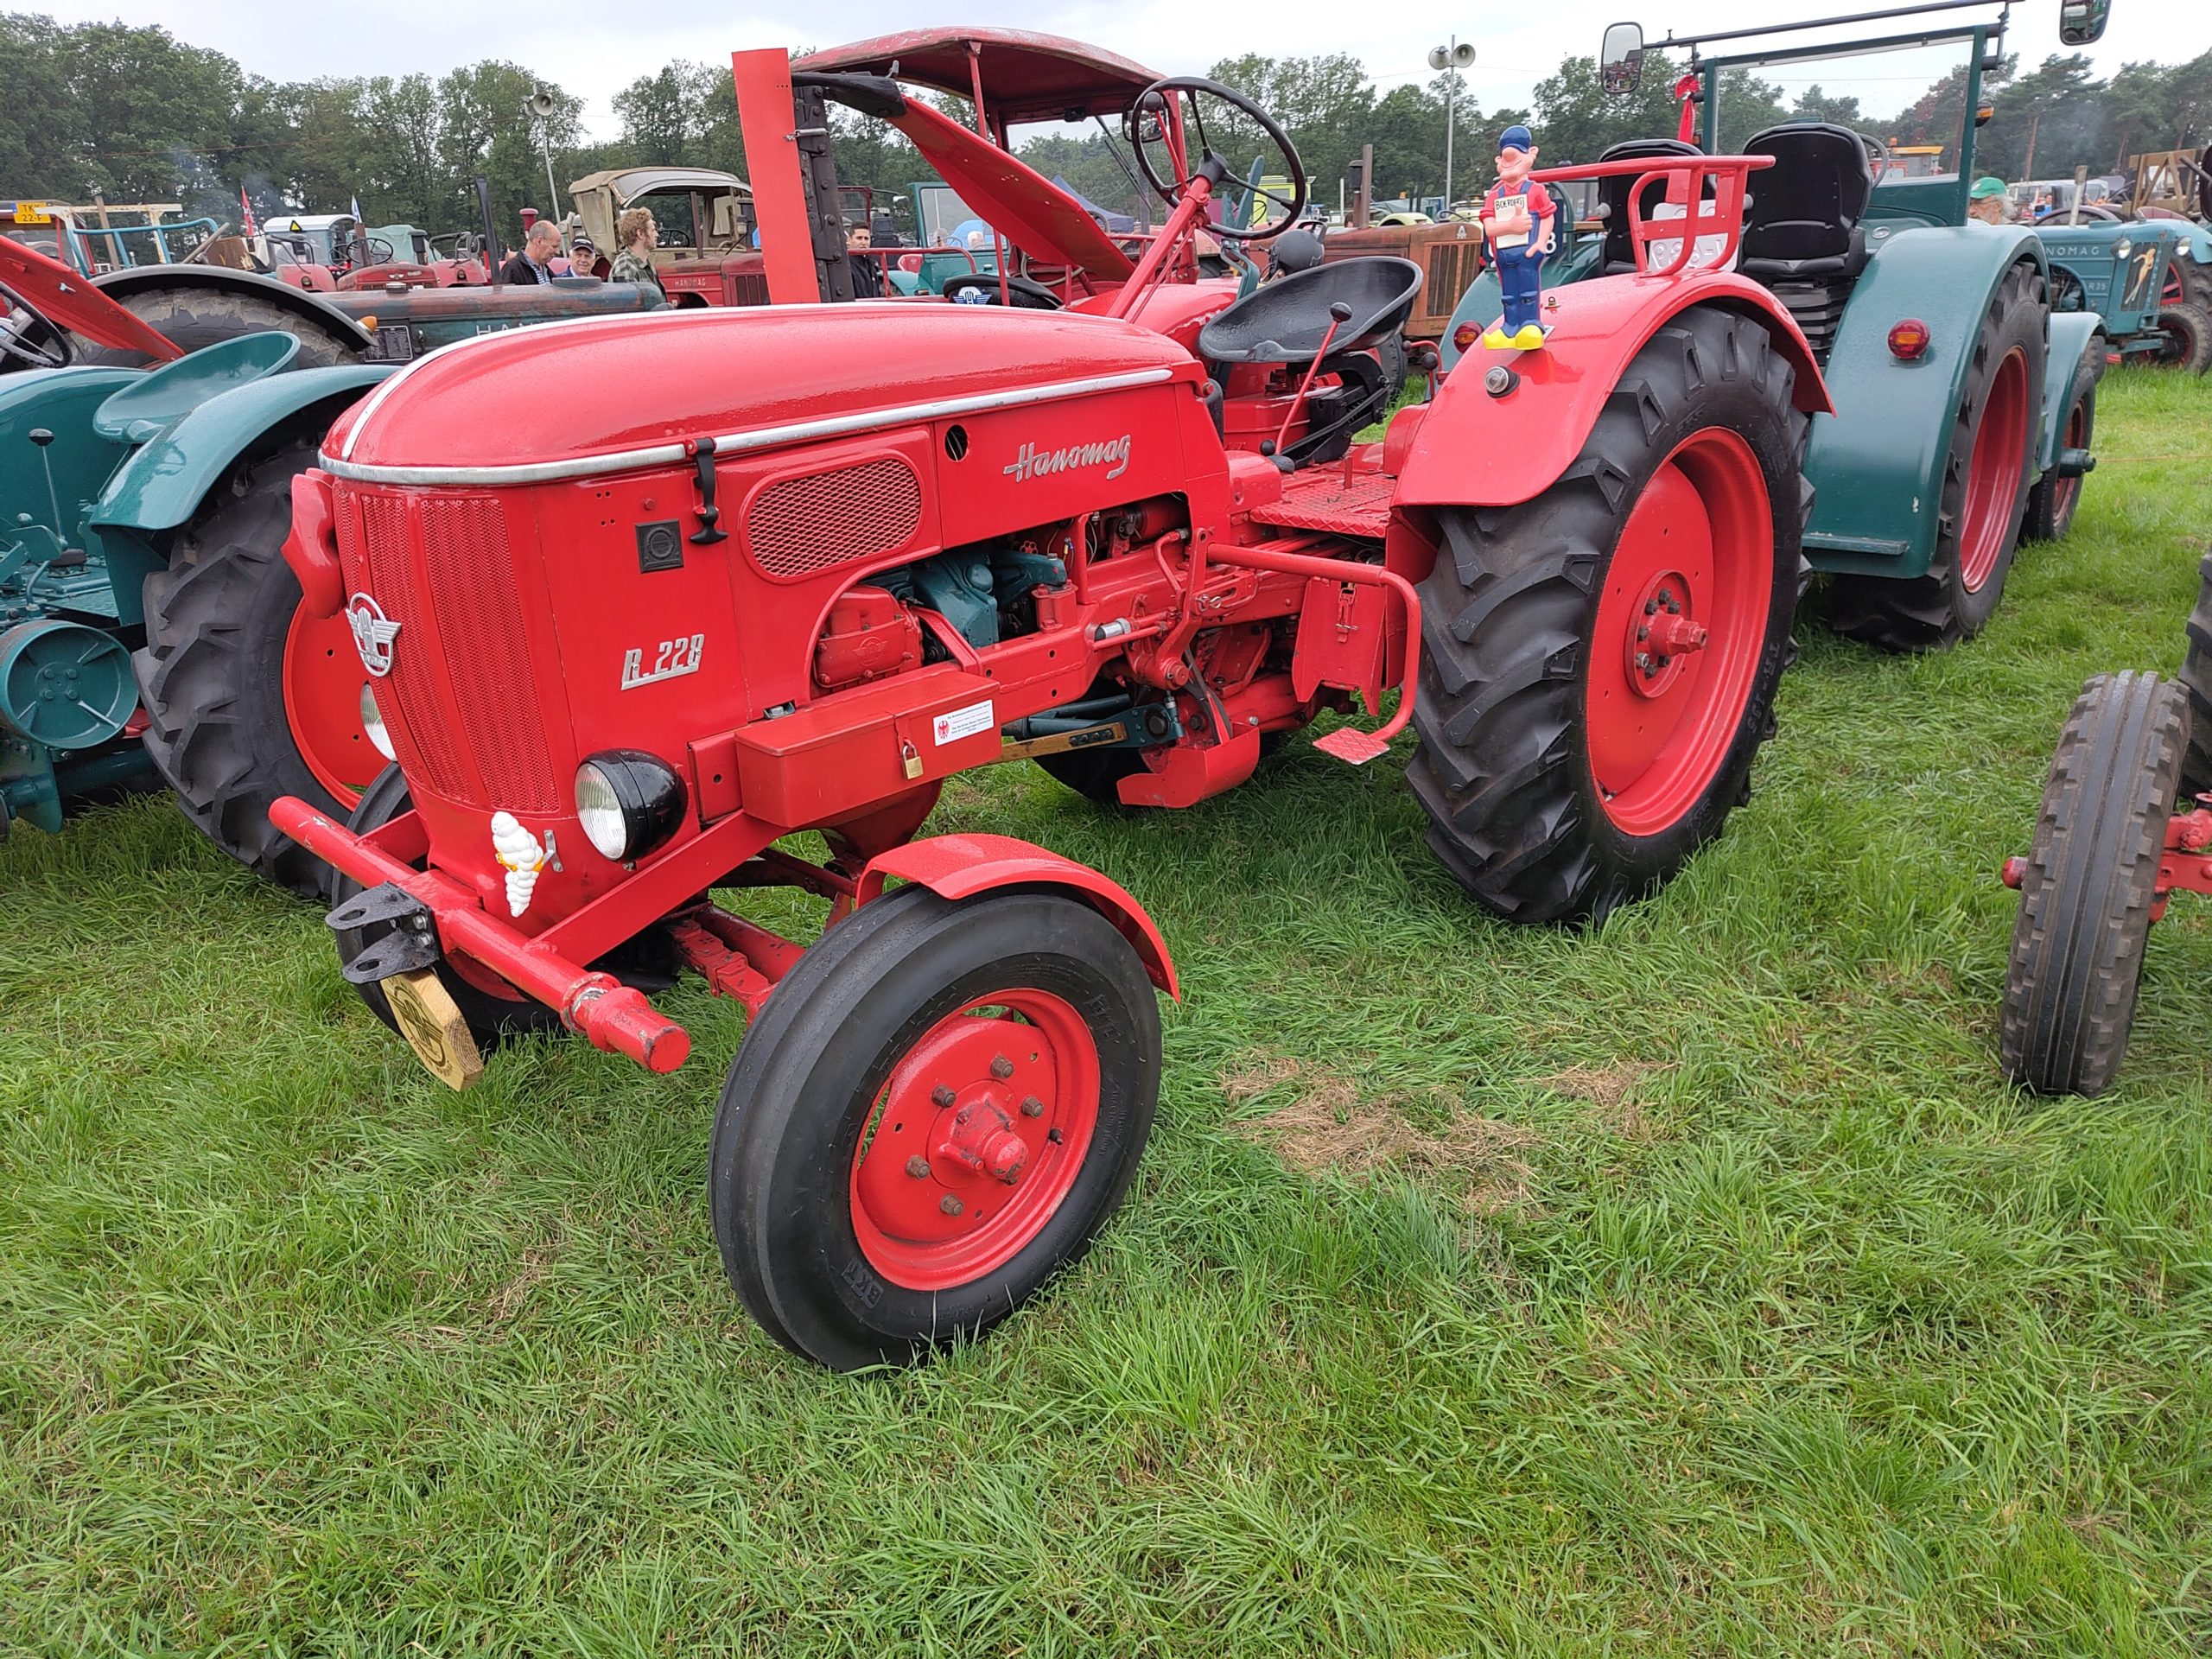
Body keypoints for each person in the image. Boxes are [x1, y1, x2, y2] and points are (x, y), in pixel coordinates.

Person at [1478, 124, 1556, 351]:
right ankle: (1510, 326)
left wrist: (1540, 243)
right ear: (1498, 161)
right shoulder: (1494, 196)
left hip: (1527, 251)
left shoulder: (1535, 191)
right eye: (1505, 158)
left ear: (1531, 154)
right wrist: (1510, 226)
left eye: (1516, 155)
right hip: (1504, 253)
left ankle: (1530, 325)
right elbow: (1490, 228)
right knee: (1509, 293)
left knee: (1528, 290)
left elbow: (1548, 216)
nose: (1509, 161)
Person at [610, 207, 667, 308]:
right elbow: (628, 310)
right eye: (653, 230)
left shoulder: (644, 264)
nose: (657, 235)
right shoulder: (626, 267)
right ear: (640, 234)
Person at [499, 219, 560, 285]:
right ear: (539, 241)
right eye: (554, 246)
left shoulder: (545, 269)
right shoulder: (513, 269)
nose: (558, 252)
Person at [846, 223, 882, 297]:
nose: (864, 242)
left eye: (866, 238)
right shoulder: (845, 266)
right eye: (859, 238)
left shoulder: (872, 266)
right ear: (849, 240)